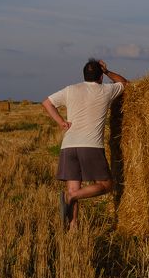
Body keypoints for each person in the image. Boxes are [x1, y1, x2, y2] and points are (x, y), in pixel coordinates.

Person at [42, 58, 129, 229]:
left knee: (74, 189)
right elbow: (124, 83)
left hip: (68, 146)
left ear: (84, 75)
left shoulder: (71, 89)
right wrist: (107, 71)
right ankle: (70, 198)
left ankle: (73, 227)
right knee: (106, 185)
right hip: (91, 146)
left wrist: (61, 122)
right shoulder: (106, 90)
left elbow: (47, 103)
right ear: (100, 77)